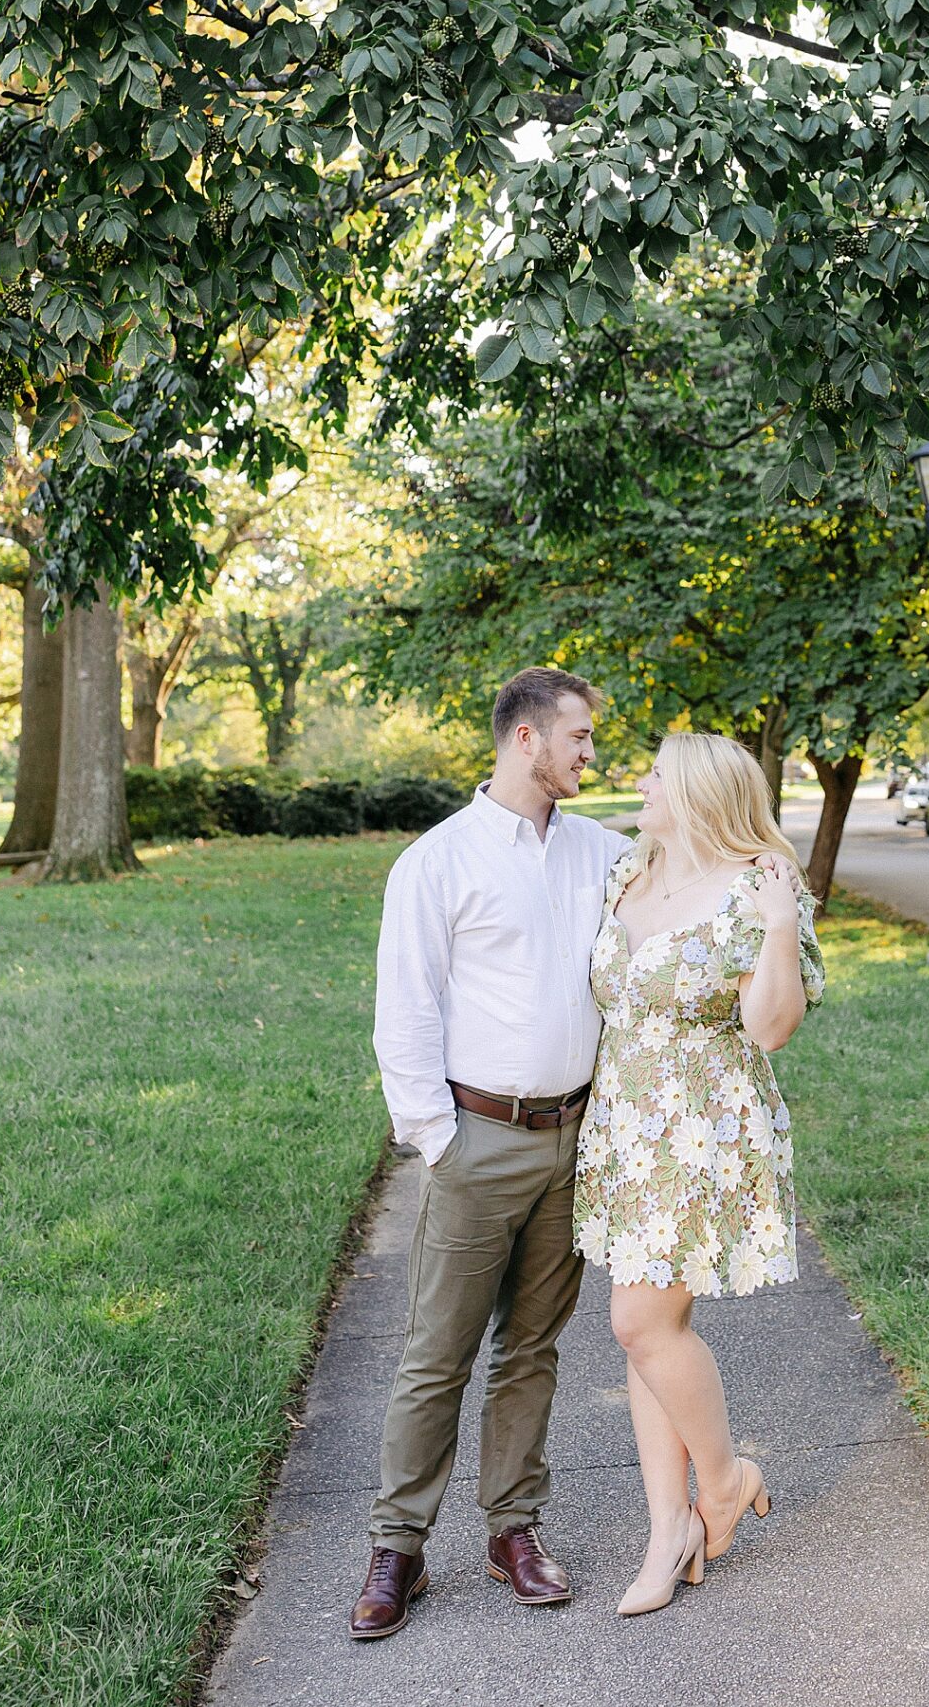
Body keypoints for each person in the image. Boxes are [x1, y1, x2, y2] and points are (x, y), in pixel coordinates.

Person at [352, 666, 632, 1641]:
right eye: (581, 737)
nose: (592, 752)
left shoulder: (606, 853)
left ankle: (514, 1529)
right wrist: (440, 1140)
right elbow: (406, 1010)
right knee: (438, 1354)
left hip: (578, 1138)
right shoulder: (438, 862)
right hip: (479, 1140)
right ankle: (399, 1548)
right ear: (526, 739)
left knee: (533, 1349)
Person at [574, 731, 824, 1618]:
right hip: (625, 1127)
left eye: (652, 775)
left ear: (697, 791)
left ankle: (721, 1480)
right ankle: (665, 1528)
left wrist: (782, 929)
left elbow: (771, 1027)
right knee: (647, 1332)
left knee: (640, 1321)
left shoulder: (756, 883)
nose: (637, 785)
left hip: (703, 1129)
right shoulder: (625, 876)